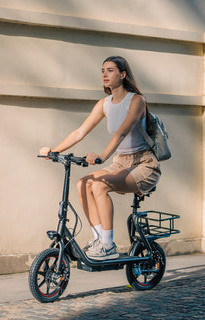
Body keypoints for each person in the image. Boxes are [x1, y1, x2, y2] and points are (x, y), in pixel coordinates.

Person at [39, 56, 161, 260]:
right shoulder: (104, 104)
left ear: (123, 74)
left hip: (144, 164)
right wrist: (54, 151)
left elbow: (122, 132)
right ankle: (99, 240)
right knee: (83, 184)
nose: (104, 74)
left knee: (99, 186)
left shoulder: (137, 100)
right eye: (103, 70)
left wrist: (102, 157)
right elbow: (80, 132)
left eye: (110, 70)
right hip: (121, 162)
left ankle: (108, 245)